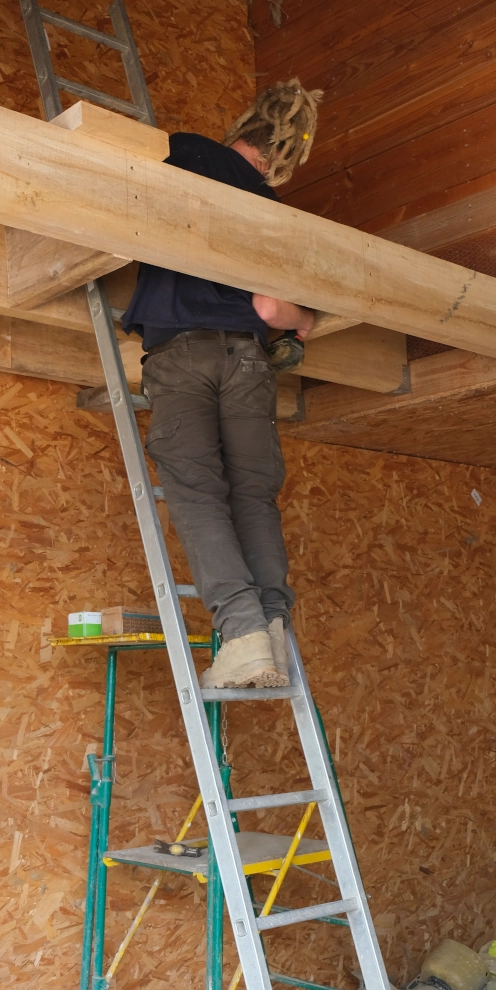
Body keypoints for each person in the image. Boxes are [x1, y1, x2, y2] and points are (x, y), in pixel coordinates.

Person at [121, 80, 322, 690]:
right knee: (251, 497)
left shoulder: (184, 151)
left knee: (198, 490)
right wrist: (307, 322)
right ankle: (273, 629)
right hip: (247, 363)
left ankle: (241, 634)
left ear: (243, 131)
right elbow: (269, 309)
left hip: (181, 354)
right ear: (280, 162)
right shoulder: (273, 209)